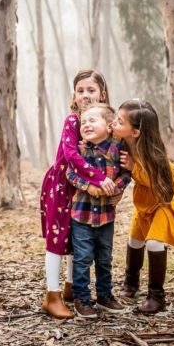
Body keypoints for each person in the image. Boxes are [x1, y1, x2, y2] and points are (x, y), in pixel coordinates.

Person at [39, 69, 111, 320]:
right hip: (61, 184)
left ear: (102, 94)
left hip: (80, 189)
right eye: (80, 91)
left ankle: (71, 287)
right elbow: (71, 156)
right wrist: (100, 178)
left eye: (91, 90)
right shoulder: (73, 121)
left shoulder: (103, 122)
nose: (85, 95)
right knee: (57, 239)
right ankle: (52, 294)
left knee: (75, 236)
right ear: (74, 95)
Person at [112, 100, 174, 315]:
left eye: (119, 121)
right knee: (134, 239)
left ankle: (157, 297)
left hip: (165, 198)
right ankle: (131, 283)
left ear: (136, 131)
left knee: (155, 242)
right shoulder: (121, 142)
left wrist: (133, 167)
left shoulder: (152, 152)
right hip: (145, 201)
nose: (114, 124)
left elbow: (156, 181)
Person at [66, 103, 132, 320]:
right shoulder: (80, 150)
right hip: (82, 216)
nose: (86, 125)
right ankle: (82, 299)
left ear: (109, 125)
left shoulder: (117, 149)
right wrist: (88, 186)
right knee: (83, 259)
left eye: (92, 120)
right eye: (83, 122)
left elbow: (125, 174)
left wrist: (118, 187)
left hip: (106, 217)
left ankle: (104, 295)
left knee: (104, 258)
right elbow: (71, 174)